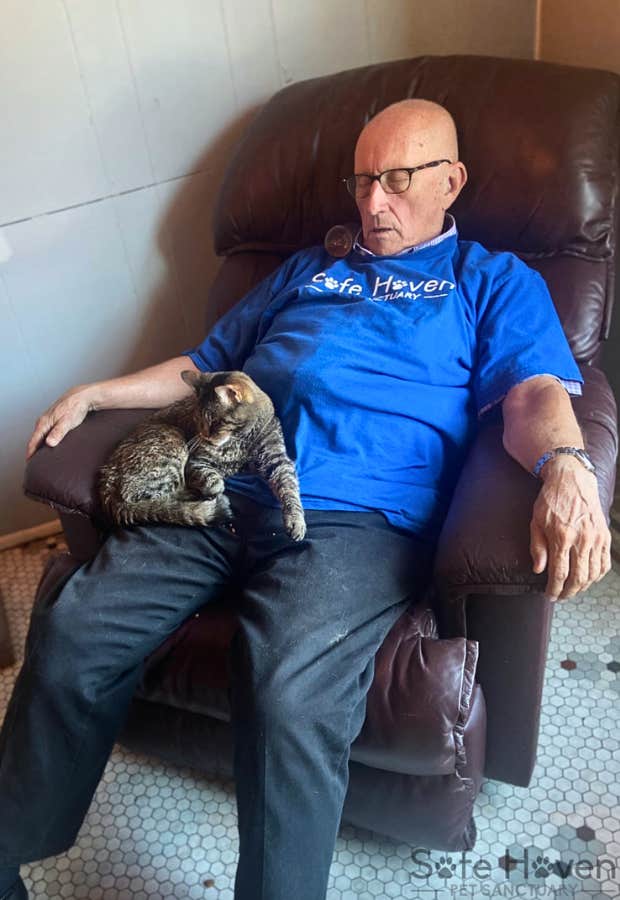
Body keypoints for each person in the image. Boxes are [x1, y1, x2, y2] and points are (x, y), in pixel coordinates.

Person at [0, 99, 611, 900]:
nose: (371, 202)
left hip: (360, 522)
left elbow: (533, 393)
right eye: (361, 181)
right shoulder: (306, 270)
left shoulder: (490, 279)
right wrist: (97, 393)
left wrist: (568, 466)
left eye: (396, 179)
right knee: (77, 619)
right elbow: (207, 361)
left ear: (451, 181)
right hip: (231, 487)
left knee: (287, 683)